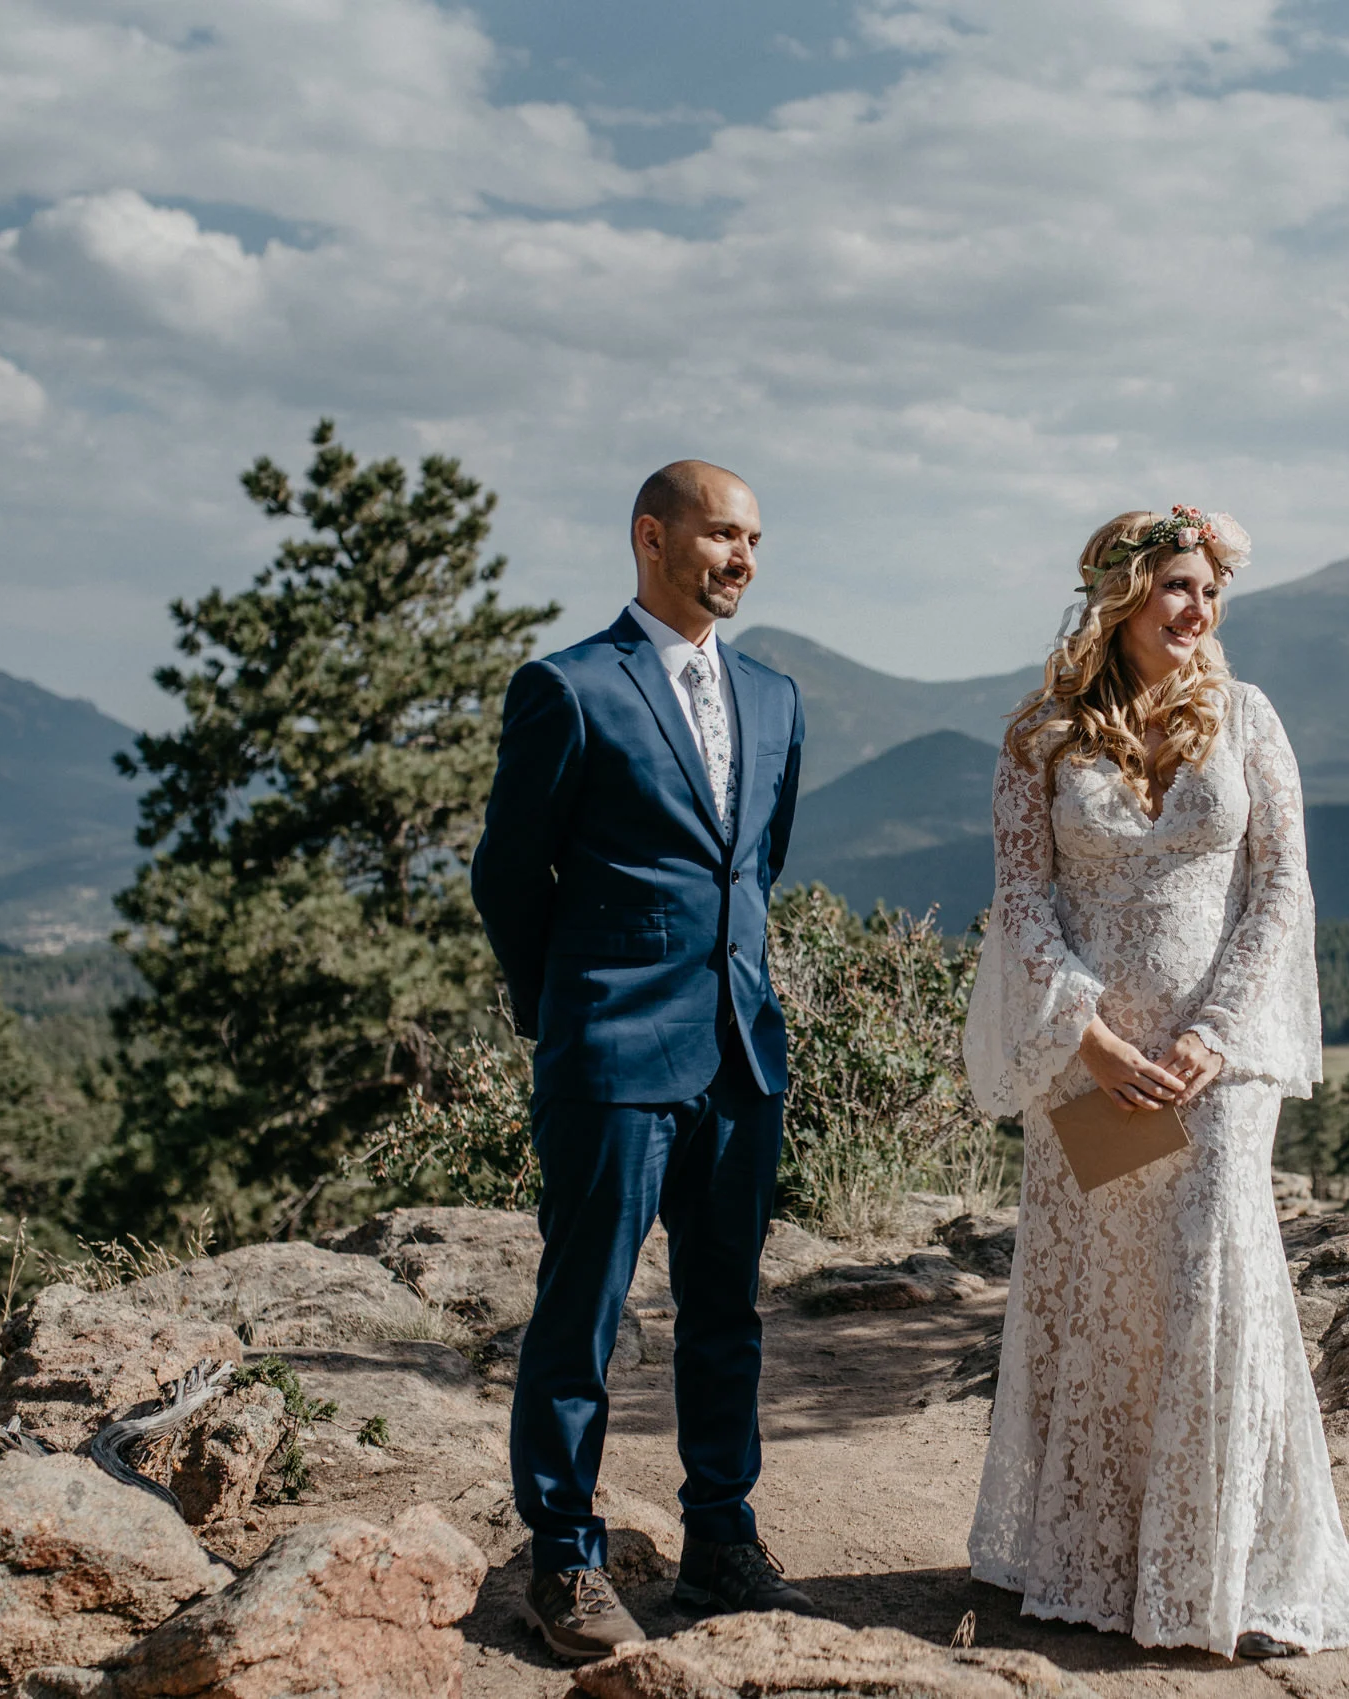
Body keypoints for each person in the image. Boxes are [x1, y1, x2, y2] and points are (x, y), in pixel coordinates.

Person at [963, 507, 1349, 1659]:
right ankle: (1108, 1558)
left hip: (1213, 1065)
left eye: (1210, 590)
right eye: (1179, 587)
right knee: (1106, 1288)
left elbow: (1282, 886)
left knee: (1214, 1270)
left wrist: (1216, 1031)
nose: (1199, 612)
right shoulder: (1041, 734)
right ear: (1121, 595)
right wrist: (1084, 1033)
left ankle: (1232, 1570)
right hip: (1095, 1062)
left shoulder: (1247, 717)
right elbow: (1022, 897)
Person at [470, 459, 813, 1664]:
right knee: (583, 1316)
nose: (743, 557)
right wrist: (565, 1010)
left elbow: (752, 868)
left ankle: (721, 1544)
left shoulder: (775, 698)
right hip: (610, 1053)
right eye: (723, 533)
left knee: (728, 1315)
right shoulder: (566, 689)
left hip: (738, 1054)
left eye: (755, 538)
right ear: (650, 536)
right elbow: (507, 874)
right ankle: (564, 1560)